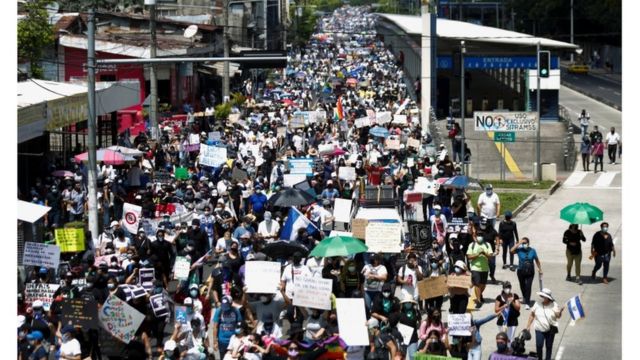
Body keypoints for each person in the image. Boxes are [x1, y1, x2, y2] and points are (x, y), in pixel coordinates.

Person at [526, 288, 564, 360]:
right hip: (539, 329)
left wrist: (560, 312)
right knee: (539, 345)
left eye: (544, 296)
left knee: (549, 346)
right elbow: (532, 314)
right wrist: (528, 326)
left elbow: (558, 316)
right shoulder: (537, 303)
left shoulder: (554, 305)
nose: (542, 297)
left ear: (548, 297)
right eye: (541, 295)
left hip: (550, 330)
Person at [511, 237, 542, 309]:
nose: (525, 244)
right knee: (522, 286)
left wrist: (540, 269)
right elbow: (511, 250)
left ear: (528, 243)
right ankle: (525, 297)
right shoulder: (519, 250)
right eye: (523, 243)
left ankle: (527, 302)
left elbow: (537, 260)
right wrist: (519, 243)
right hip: (521, 270)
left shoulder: (533, 250)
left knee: (528, 286)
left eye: (526, 243)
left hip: (530, 271)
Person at [466, 234, 493, 309]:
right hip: (475, 267)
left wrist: (484, 253)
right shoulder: (472, 245)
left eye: (481, 235)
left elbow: (491, 256)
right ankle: (478, 300)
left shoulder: (487, 245)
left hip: (485, 268)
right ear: (475, 237)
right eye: (478, 235)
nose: (480, 237)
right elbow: (469, 256)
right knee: (477, 284)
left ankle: (479, 294)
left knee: (483, 284)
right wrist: (477, 254)